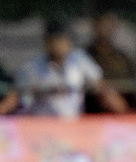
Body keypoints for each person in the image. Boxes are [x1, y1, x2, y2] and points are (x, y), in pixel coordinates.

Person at [0, 20, 128, 118]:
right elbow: (14, 98)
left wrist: (127, 113)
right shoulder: (32, 68)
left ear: (69, 42)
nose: (58, 45)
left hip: (71, 126)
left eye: (62, 40)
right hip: (41, 128)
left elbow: (103, 89)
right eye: (54, 40)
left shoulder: (80, 61)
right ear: (47, 43)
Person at [85, 11, 136, 112]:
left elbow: (135, 94)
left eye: (110, 22)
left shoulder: (124, 59)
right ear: (95, 25)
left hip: (123, 115)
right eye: (103, 22)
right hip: (93, 115)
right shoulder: (85, 57)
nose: (106, 27)